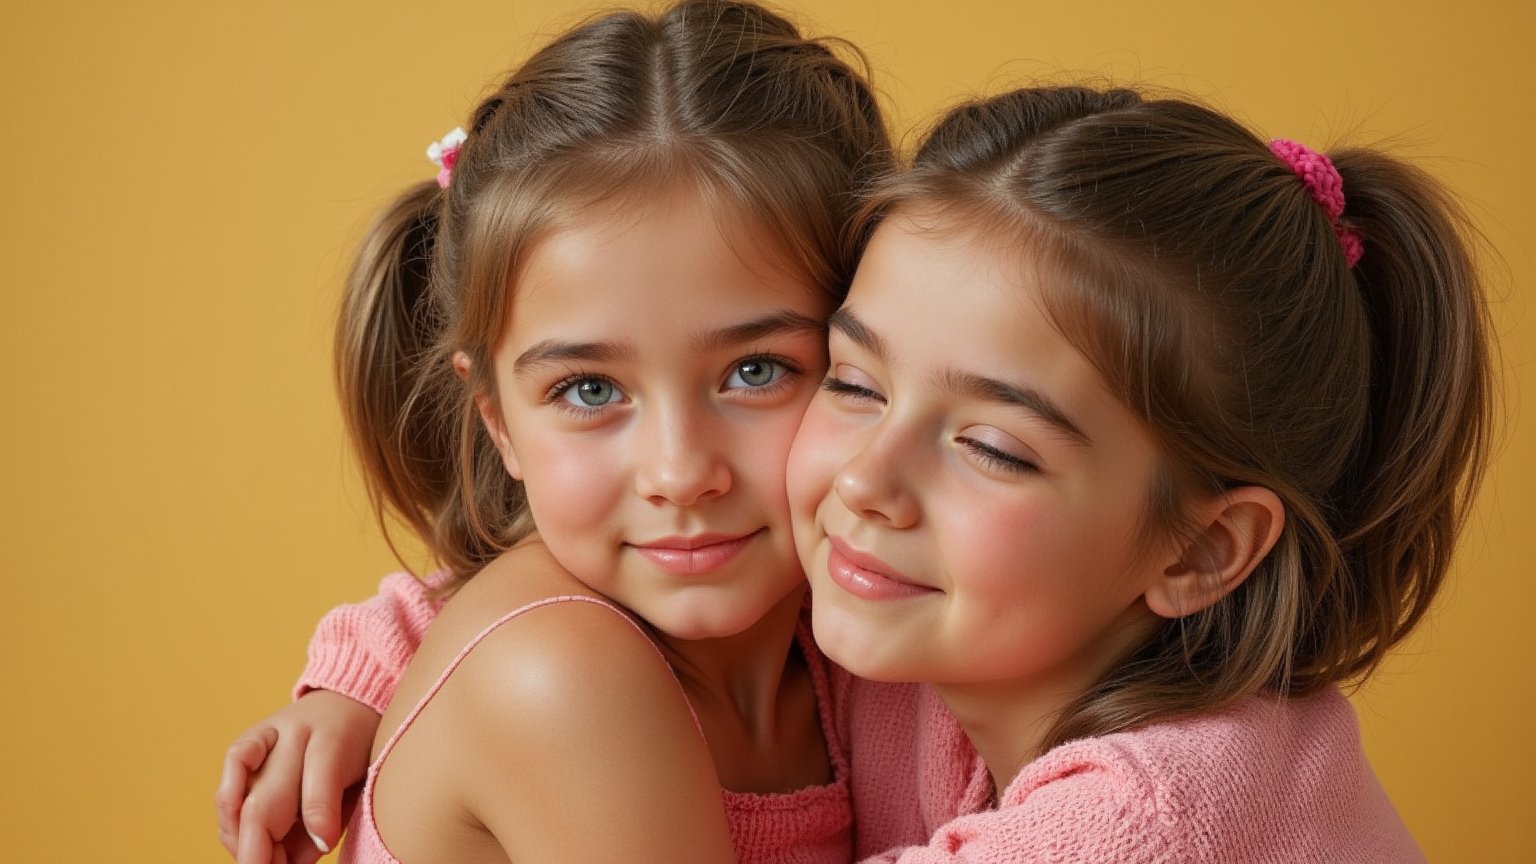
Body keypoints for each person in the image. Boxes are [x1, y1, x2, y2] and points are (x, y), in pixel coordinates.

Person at [214, 2, 891, 862]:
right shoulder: (561, 679)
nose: (681, 474)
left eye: (756, 371)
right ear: (497, 422)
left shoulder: (844, 637)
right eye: (590, 388)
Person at [794, 85, 1492, 861]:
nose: (864, 482)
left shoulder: (1145, 825)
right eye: (854, 384)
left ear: (1201, 550)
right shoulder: (946, 651)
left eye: (993, 448)